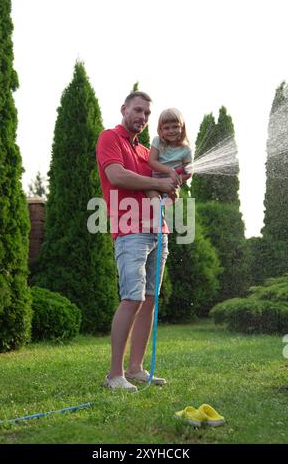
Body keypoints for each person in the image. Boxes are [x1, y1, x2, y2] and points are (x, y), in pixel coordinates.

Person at [96, 91, 180, 392]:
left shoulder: (147, 153)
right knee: (132, 298)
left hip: (159, 231)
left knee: (149, 301)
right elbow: (117, 176)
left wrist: (172, 188)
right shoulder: (110, 138)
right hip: (130, 231)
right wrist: (159, 183)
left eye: (147, 114)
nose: (142, 118)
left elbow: (159, 190)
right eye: (138, 111)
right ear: (124, 109)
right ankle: (114, 375)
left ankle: (135, 369)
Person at [146, 108, 193, 203]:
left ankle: (165, 205)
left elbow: (189, 171)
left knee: (173, 196)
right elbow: (152, 161)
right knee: (150, 192)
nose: (171, 131)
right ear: (161, 130)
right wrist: (170, 171)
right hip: (156, 178)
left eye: (175, 127)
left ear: (182, 128)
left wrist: (177, 179)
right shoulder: (158, 141)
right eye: (167, 128)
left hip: (172, 181)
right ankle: (158, 214)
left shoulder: (186, 149)